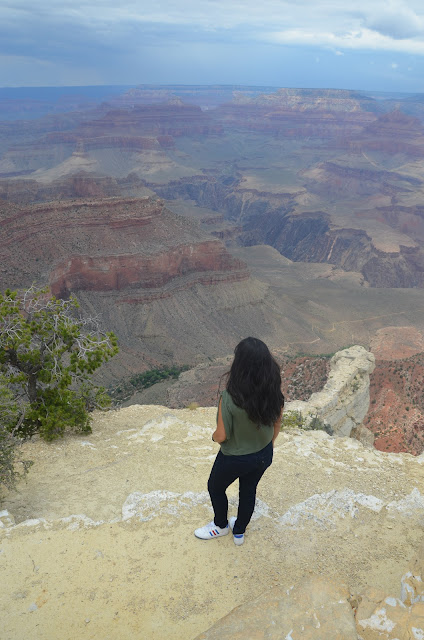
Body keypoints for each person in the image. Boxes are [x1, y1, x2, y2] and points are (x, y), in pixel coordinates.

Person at [194, 337, 284, 546]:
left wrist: (213, 437)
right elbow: (277, 424)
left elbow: (221, 436)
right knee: (248, 490)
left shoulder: (230, 397)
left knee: (215, 487)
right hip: (263, 454)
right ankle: (239, 531)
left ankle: (221, 526)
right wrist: (267, 446)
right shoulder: (274, 394)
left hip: (234, 458)